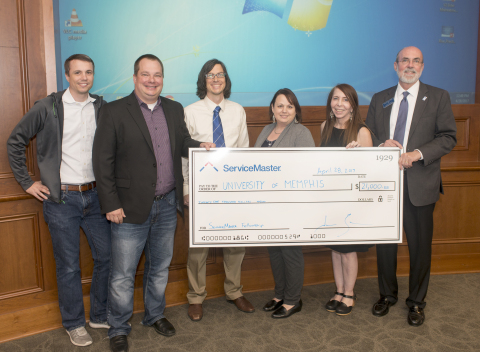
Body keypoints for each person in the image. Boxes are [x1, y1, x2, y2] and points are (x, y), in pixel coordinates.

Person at [92, 54, 215, 352]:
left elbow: (182, 143)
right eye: (145, 74)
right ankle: (118, 327)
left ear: (162, 78)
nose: (151, 80)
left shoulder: (173, 109)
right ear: (134, 78)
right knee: (122, 274)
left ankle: (154, 315)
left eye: (157, 75)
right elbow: (102, 161)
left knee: (159, 268)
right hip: (128, 208)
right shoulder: (114, 111)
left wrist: (200, 146)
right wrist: (110, 203)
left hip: (167, 205)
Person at [7, 54, 111, 347]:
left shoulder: (101, 107)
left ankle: (99, 314)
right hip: (61, 199)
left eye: (88, 72)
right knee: (68, 266)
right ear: (67, 75)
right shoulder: (48, 106)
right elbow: (15, 141)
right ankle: (74, 324)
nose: (83, 77)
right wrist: (27, 182)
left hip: (95, 197)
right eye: (77, 72)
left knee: (108, 256)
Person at [365, 46, 457, 326]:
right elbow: (367, 133)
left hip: (420, 184)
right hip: (385, 185)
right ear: (395, 66)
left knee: (420, 248)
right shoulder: (380, 98)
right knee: (385, 246)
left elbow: (448, 137)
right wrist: (382, 144)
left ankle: (416, 302)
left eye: (416, 60)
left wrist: (417, 154)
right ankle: (387, 295)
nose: (410, 65)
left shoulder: (438, 97)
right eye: (405, 60)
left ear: (423, 67)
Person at [182, 59, 254, 321]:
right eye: (210, 75)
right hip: (202, 188)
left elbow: (244, 149)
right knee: (198, 247)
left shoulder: (237, 110)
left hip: (233, 188)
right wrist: (187, 188)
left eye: (220, 74)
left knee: (235, 243)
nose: (216, 78)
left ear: (226, 79)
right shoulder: (189, 111)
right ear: (204, 80)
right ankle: (196, 296)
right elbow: (184, 155)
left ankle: (234, 291)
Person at [254, 88, 315, 318]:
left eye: (290, 106)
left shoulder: (301, 132)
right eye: (280, 105)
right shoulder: (266, 130)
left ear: (296, 110)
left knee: (290, 251)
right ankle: (279, 294)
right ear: (272, 108)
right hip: (268, 202)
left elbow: (307, 169)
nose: (284, 110)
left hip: (291, 203)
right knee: (275, 251)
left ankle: (292, 300)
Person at [319, 84, 373, 316]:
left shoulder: (362, 131)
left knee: (348, 250)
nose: (339, 104)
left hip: (352, 201)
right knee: (336, 248)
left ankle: (349, 293)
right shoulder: (325, 126)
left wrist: (357, 159)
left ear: (353, 105)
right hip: (332, 199)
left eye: (345, 100)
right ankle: (338, 290)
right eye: (335, 99)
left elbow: (371, 171)